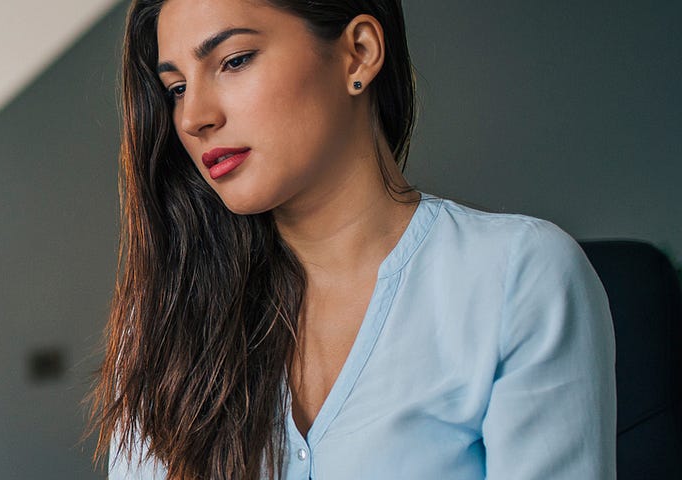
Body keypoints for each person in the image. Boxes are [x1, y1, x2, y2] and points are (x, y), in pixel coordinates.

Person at [84, 0, 616, 478]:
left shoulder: (518, 277)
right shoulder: (165, 324)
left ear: (359, 53)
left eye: (234, 60)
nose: (195, 117)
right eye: (176, 88)